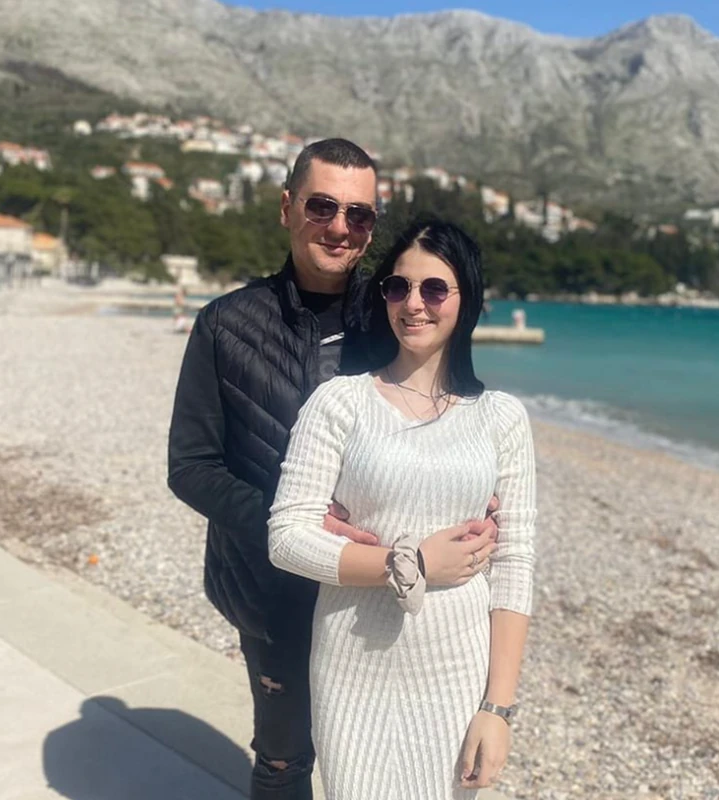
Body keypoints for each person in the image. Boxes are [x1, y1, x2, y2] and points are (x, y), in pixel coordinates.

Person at [167, 140, 497, 799]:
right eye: (322, 207)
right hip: (272, 591)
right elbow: (190, 466)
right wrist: (293, 521)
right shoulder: (224, 325)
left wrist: (483, 491)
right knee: (285, 759)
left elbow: (450, 410)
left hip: (380, 593)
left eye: (359, 214)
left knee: (383, 762)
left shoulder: (396, 313)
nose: (340, 227)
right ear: (287, 207)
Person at [268, 218, 537, 799]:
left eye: (434, 289)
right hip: (351, 662)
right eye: (398, 287)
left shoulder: (502, 418)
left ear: (467, 300)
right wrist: (409, 563)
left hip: (456, 671)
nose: (414, 304)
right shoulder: (340, 401)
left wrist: (498, 708)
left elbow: (514, 565)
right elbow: (286, 537)